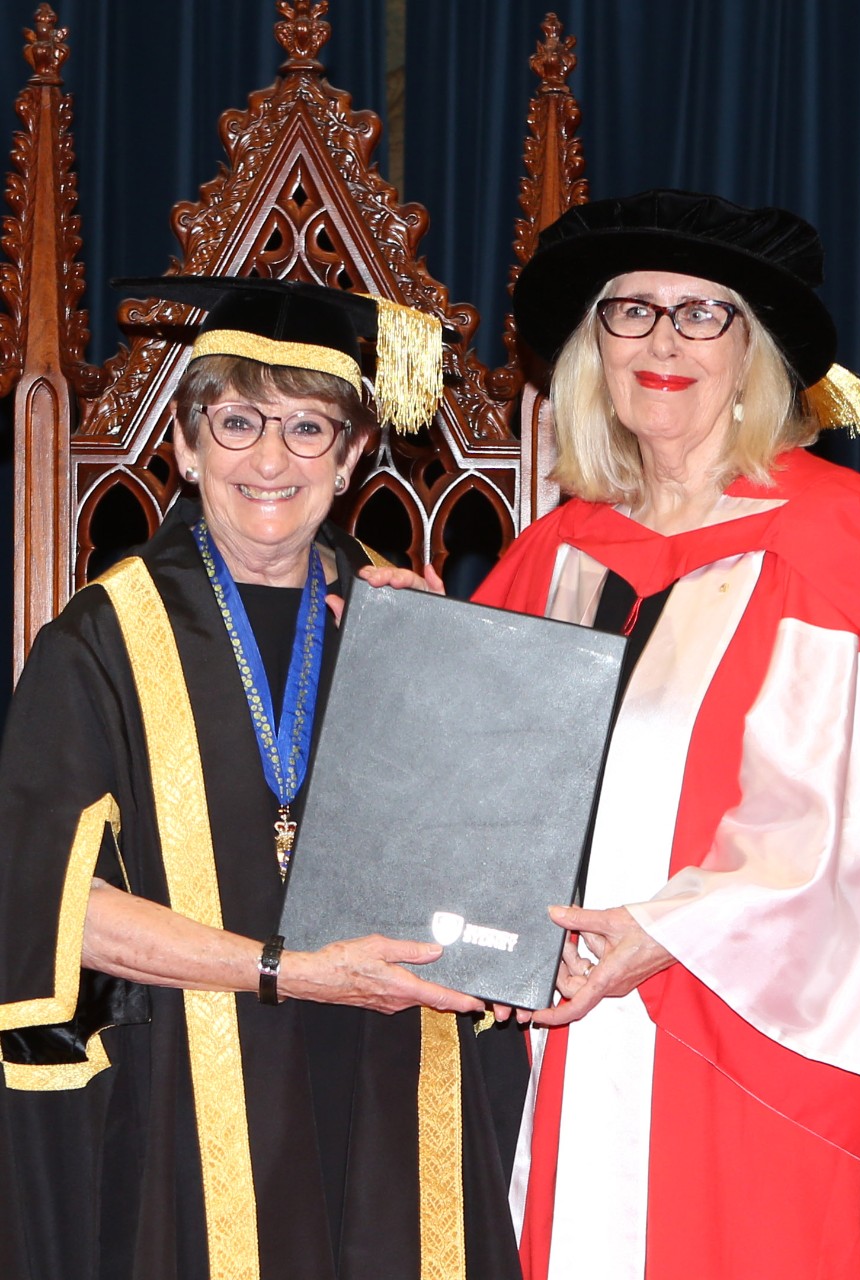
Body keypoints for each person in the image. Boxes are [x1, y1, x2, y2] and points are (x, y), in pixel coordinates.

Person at [471, 189, 860, 1279]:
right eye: (631, 310)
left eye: (702, 312)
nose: (662, 341)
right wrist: (411, 652)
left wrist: (670, 931)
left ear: (753, 351)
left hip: (758, 1043)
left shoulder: (839, 537)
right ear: (593, 348)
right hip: (567, 1043)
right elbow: (472, 790)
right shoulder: (551, 555)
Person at [0, 278, 522, 1280]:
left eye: (307, 427)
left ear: (352, 454)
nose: (271, 460)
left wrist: (449, 674)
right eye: (237, 422)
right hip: (188, 1093)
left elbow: (493, 869)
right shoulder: (99, 643)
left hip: (387, 1077)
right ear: (187, 445)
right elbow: (52, 911)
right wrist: (283, 970)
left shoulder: (408, 627)